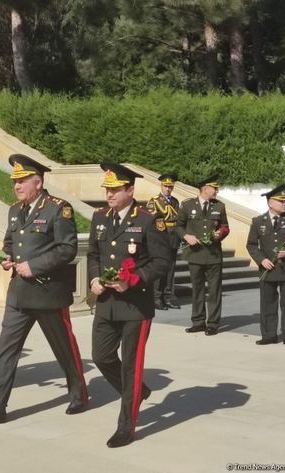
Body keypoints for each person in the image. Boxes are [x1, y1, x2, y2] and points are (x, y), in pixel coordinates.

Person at [0, 154, 87, 426]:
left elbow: (67, 248)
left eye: (22, 181)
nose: (17, 186)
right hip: (19, 293)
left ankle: (79, 393)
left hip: (48, 293)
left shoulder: (58, 209)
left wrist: (34, 266)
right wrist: (8, 257)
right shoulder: (14, 210)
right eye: (15, 182)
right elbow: (11, 242)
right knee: (6, 350)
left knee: (64, 348)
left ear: (38, 182)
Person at [87, 162, 170, 448]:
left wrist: (134, 280)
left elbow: (162, 262)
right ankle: (138, 392)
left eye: (115, 189)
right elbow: (94, 254)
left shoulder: (148, 220)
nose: (109, 194)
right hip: (107, 302)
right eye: (107, 189)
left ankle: (126, 426)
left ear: (130, 190)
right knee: (101, 356)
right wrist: (95, 278)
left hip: (136, 305)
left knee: (131, 366)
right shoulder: (99, 217)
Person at [175, 174, 229, 336]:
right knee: (197, 289)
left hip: (213, 254)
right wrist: (186, 236)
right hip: (195, 254)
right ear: (205, 189)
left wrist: (221, 233)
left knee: (214, 290)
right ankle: (198, 321)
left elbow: (225, 226)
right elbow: (178, 226)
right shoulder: (187, 205)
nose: (217, 191)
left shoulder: (219, 206)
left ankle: (212, 323)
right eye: (214, 188)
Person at [246, 184, 285, 347]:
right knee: (268, 302)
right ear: (270, 203)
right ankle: (269, 335)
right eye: (280, 201)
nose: (284, 203)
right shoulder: (258, 221)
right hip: (267, 268)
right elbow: (251, 245)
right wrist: (261, 260)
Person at [145, 173, 181, 310]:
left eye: (170, 186)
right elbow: (154, 221)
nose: (168, 189)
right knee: (160, 268)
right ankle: (156, 297)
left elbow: (178, 221)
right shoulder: (154, 201)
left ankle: (168, 296)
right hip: (161, 237)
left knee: (171, 269)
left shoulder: (175, 201)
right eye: (166, 186)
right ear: (161, 186)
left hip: (173, 237)